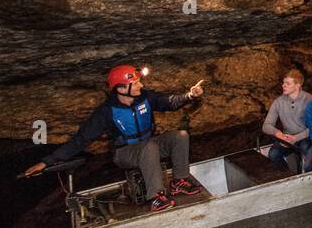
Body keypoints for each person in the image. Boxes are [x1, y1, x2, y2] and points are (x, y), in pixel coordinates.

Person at [23, 65, 204, 212]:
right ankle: (156, 197)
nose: (140, 86)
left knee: (180, 136)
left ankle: (179, 182)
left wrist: (190, 95)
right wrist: (46, 162)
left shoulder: (146, 97)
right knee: (149, 147)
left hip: (150, 145)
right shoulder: (106, 111)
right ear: (121, 88)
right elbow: (81, 140)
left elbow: (169, 102)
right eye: (136, 83)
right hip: (124, 153)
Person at [262, 68, 312, 173]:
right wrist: (279, 134)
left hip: (305, 136)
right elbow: (266, 125)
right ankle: (288, 177)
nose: (283, 85)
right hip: (287, 138)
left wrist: (296, 138)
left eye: (288, 83)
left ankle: (304, 176)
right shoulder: (278, 102)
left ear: (298, 85)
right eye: (283, 83)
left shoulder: (309, 100)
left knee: (304, 149)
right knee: (273, 154)